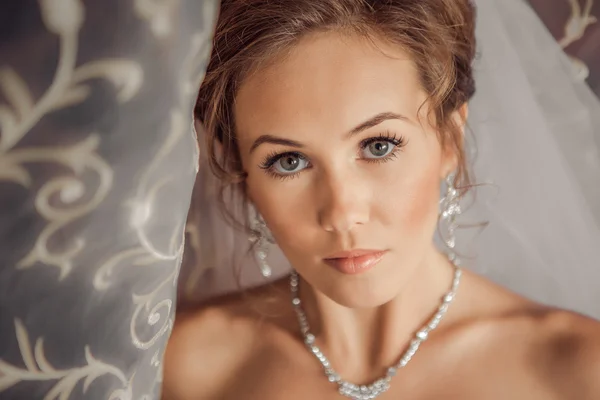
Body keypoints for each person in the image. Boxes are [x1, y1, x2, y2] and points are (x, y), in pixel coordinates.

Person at [163, 0, 600, 399]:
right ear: (242, 175)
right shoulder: (187, 366)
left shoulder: (580, 371)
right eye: (289, 161)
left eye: (378, 146)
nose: (342, 213)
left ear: (450, 139)